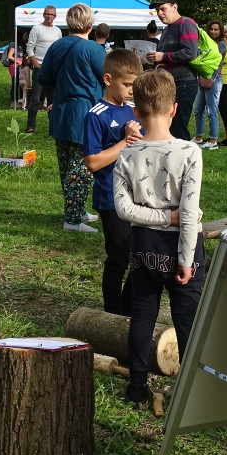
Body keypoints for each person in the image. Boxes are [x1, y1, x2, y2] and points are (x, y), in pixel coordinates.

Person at [114, 69, 205, 405]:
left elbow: (123, 209)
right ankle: (193, 393)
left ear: (136, 111)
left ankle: (136, 388)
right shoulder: (190, 152)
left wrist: (158, 217)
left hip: (144, 247)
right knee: (187, 321)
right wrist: (185, 259)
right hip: (183, 247)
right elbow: (188, 212)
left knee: (142, 317)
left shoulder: (126, 155)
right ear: (174, 109)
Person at [83, 49, 143, 315]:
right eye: (127, 84)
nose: (132, 91)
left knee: (139, 256)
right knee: (119, 258)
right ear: (108, 79)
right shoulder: (96, 115)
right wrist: (124, 142)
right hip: (111, 197)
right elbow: (93, 162)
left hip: (138, 196)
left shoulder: (134, 111)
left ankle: (128, 309)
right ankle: (111, 313)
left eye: (134, 85)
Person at [38, 3, 106, 233]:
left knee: (67, 166)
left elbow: (44, 77)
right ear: (90, 24)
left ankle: (77, 210)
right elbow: (108, 77)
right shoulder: (93, 49)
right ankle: (73, 219)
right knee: (82, 168)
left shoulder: (56, 45)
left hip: (60, 111)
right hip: (84, 112)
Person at [146, 0, 200, 141]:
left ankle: (184, 155)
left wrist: (163, 56)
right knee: (166, 126)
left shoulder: (186, 24)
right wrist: (149, 60)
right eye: (158, 10)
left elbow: (190, 53)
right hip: (168, 83)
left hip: (183, 83)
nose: (160, 13)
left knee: (178, 127)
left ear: (175, 7)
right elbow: (162, 57)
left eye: (163, 9)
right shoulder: (166, 30)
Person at [25, 6, 62, 134]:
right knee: (35, 98)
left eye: (52, 14)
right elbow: (29, 48)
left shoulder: (57, 31)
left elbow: (59, 49)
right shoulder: (37, 29)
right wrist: (36, 64)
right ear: (43, 14)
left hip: (53, 69)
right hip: (40, 67)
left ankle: (53, 127)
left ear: (55, 16)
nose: (49, 16)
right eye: (47, 14)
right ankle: (30, 126)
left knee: (52, 99)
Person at [192, 19, 226, 149]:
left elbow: (218, 63)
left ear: (220, 31)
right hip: (202, 78)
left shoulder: (221, 45)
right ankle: (198, 137)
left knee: (211, 110)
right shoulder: (205, 42)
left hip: (214, 79)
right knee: (198, 109)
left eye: (216, 29)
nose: (213, 32)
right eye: (211, 29)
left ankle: (213, 140)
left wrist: (212, 78)